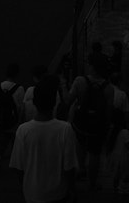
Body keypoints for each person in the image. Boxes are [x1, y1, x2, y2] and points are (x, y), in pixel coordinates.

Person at [10, 75, 78, 203]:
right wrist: (72, 190)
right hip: (58, 193)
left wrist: (25, 186)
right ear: (54, 102)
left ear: (34, 102)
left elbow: (18, 167)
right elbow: (69, 167)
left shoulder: (23, 130)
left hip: (32, 193)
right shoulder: (65, 129)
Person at [67, 53, 114, 189]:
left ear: (92, 67)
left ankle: (81, 170)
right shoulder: (109, 88)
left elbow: (69, 100)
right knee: (95, 154)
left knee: (80, 146)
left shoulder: (79, 81)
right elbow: (108, 112)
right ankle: (92, 182)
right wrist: (107, 127)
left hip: (80, 123)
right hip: (97, 126)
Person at [0, 62, 25, 167]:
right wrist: (20, 121)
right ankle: (14, 162)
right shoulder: (19, 88)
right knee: (14, 141)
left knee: (1, 140)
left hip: (0, 119)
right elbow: (20, 107)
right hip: (13, 120)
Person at [104, 109, 129, 195]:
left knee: (116, 175)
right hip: (123, 158)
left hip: (113, 157)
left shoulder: (111, 131)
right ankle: (122, 187)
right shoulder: (125, 132)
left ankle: (115, 188)